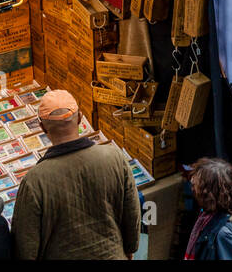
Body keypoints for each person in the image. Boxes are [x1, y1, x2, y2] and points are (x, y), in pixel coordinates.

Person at [12, 89, 140, 259]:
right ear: (80, 118)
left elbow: (25, 246)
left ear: (42, 127)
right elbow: (132, 216)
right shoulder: (114, 158)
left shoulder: (34, 180)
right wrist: (129, 249)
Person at [184, 158, 232, 260]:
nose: (193, 187)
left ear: (209, 193)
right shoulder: (210, 215)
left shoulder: (224, 233)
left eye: (197, 185)